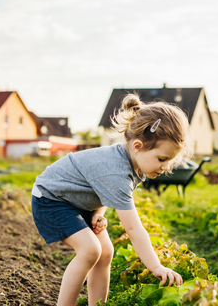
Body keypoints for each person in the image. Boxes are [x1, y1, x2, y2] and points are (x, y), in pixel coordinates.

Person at [30, 94, 188, 306]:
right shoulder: (116, 170)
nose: (166, 167)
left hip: (76, 200)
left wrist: (98, 213)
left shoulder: (133, 164)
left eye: (170, 161)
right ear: (138, 146)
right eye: (162, 159)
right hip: (51, 199)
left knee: (105, 252)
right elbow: (134, 230)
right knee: (90, 250)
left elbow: (99, 186)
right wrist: (156, 266)